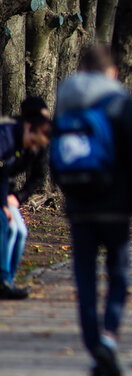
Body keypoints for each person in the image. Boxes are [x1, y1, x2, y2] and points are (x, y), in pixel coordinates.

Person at [54, 45, 132, 376]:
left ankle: (95, 348)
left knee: (84, 279)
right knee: (118, 275)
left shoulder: (66, 95)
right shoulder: (120, 100)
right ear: (112, 72)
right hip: (115, 204)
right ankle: (109, 337)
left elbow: (58, 147)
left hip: (79, 204)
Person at [0, 97, 52, 300]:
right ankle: (3, 280)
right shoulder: (8, 134)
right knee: (7, 226)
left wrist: (17, 198)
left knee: (20, 231)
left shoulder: (40, 141)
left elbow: (38, 176)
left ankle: (8, 280)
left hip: (7, 192)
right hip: (3, 192)